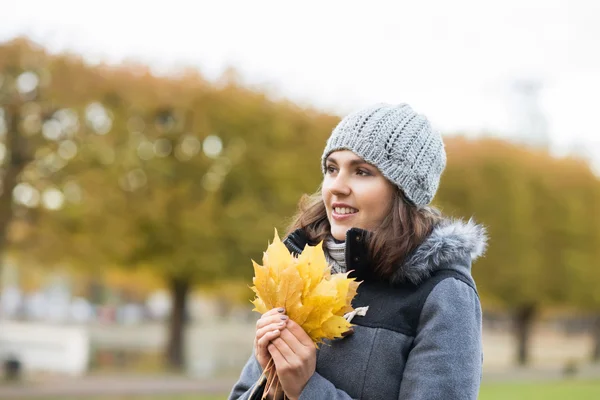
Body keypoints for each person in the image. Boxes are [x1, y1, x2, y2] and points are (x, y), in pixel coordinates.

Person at [228, 103, 487, 400]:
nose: (336, 187)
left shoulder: (443, 294)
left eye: (362, 172)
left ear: (403, 192)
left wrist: (307, 390)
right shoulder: (300, 274)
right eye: (332, 168)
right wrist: (272, 386)